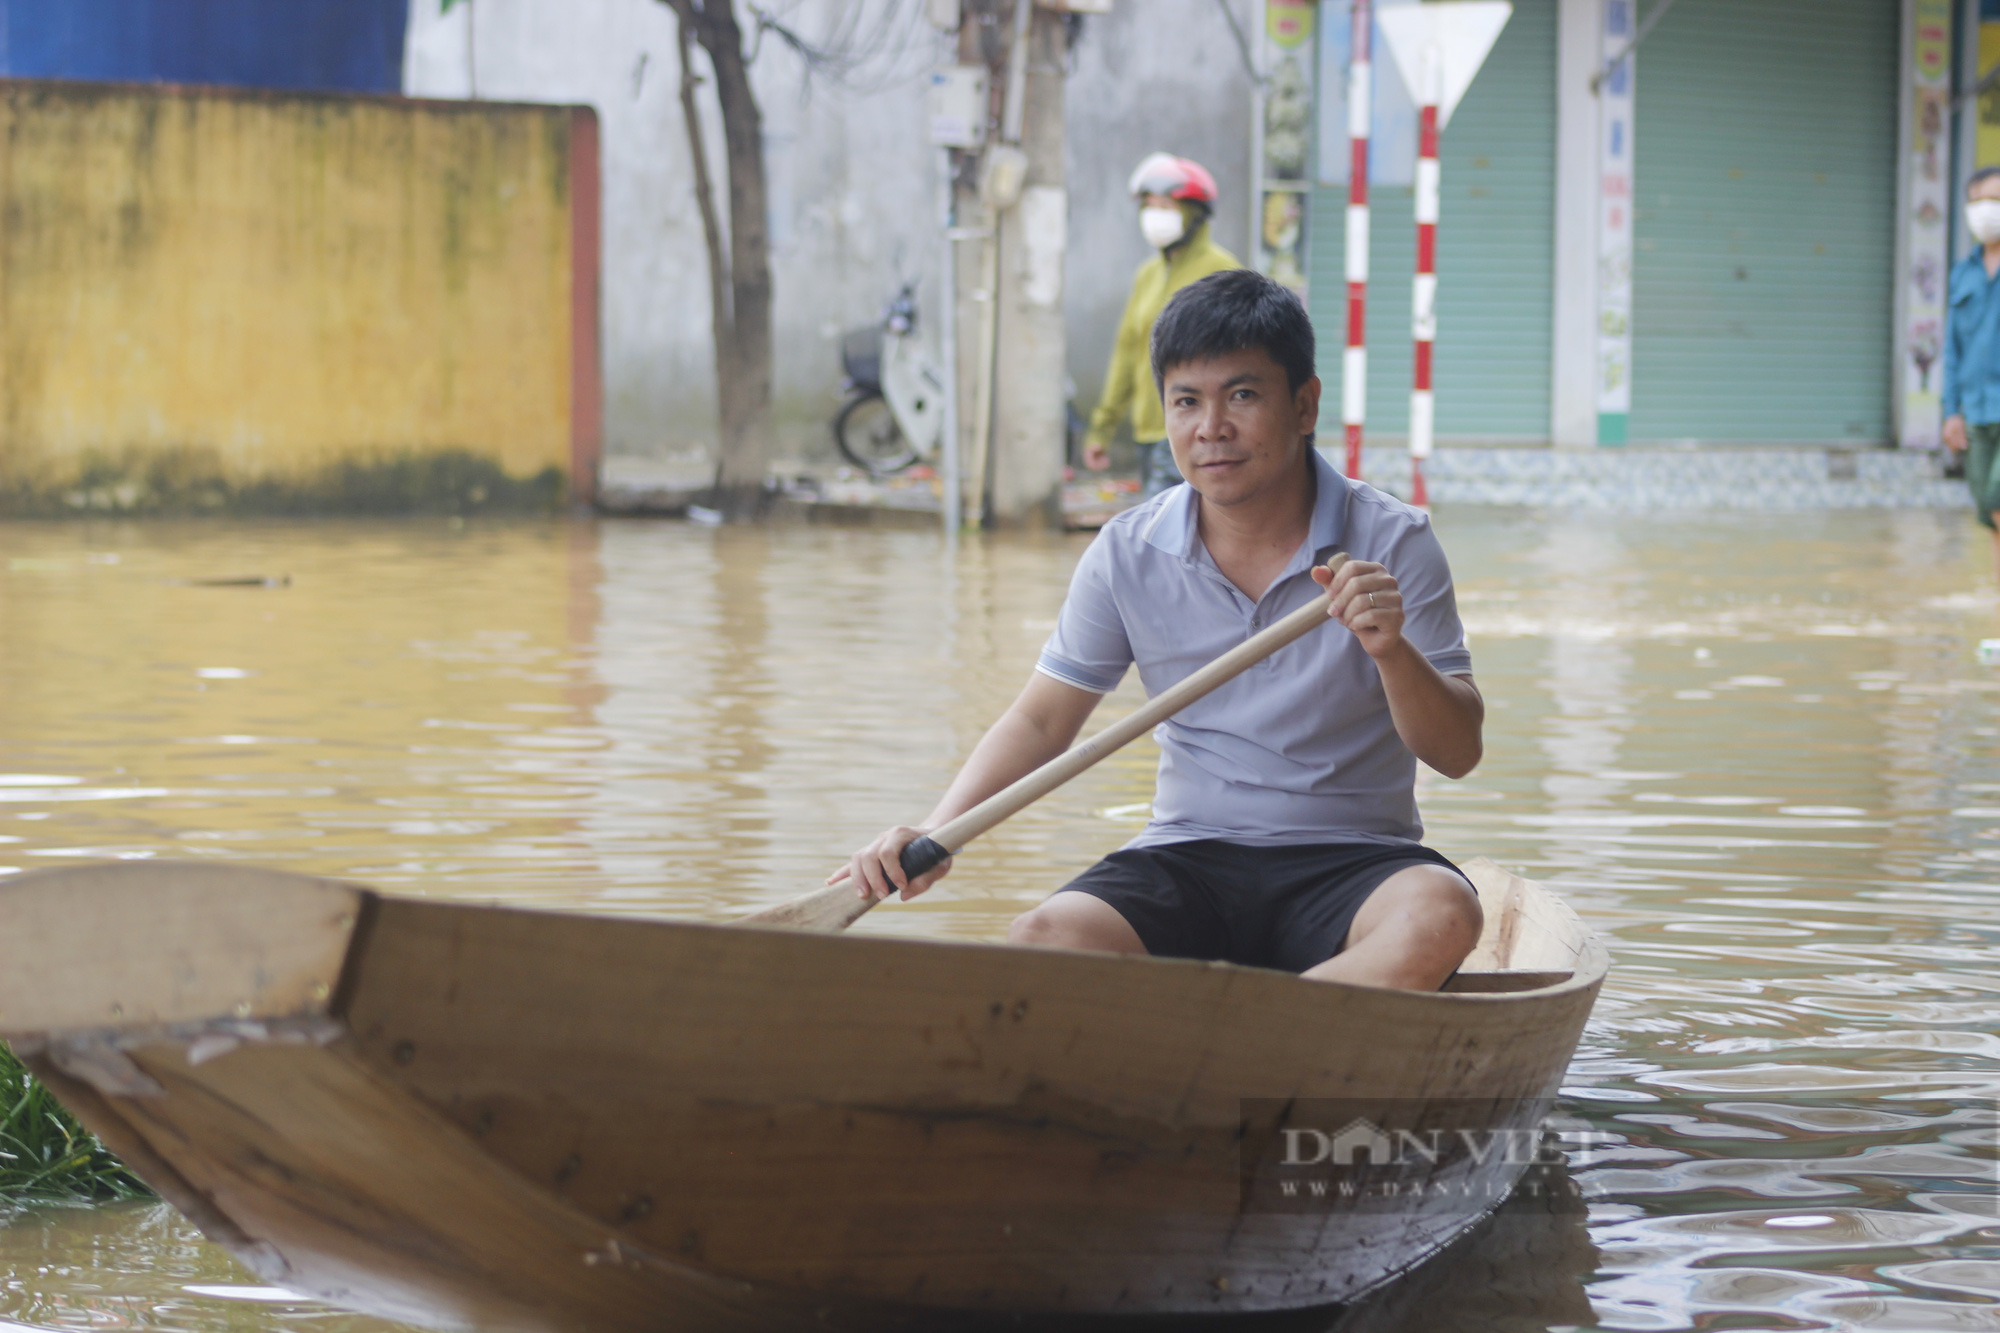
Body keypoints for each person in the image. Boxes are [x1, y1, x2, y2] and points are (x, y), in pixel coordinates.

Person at [837, 270, 1485, 992]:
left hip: (1355, 860)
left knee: (1444, 913)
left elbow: (1458, 752)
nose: (1211, 428)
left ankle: (1263, 1039)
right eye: (1186, 401)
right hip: (1189, 856)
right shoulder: (1127, 551)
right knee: (1044, 937)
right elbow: (1043, 719)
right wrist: (933, 834)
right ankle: (1287, 1038)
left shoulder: (1394, 542)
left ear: (1304, 405)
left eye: (1242, 395)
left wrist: (1391, 651)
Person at [1083, 153, 1242, 499]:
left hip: (1197, 431)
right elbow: (1126, 353)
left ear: (1194, 214)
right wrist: (1102, 428)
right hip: (1149, 431)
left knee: (1164, 539)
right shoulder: (1147, 276)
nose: (1156, 216)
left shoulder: (1221, 271)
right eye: (1150, 206)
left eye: (1167, 207)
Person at [1946, 165, 2000, 581]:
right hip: (1979, 412)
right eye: (1979, 200)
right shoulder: (1962, 273)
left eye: (1996, 199)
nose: (1987, 210)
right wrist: (1951, 411)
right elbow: (1952, 349)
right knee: (1991, 517)